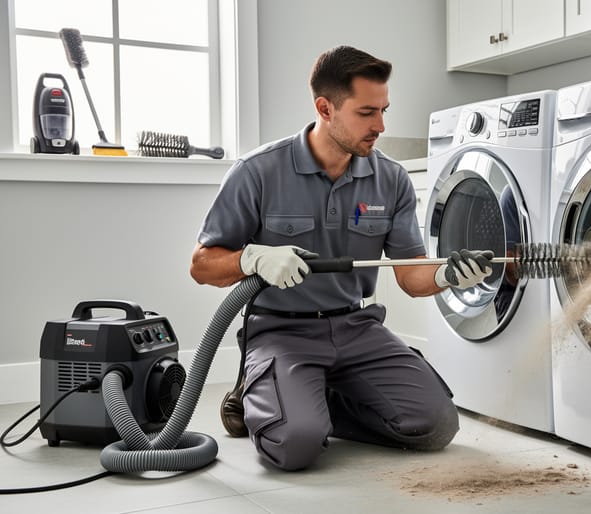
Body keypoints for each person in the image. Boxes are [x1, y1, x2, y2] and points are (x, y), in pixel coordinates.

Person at [190, 45, 493, 471]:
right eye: (367, 112)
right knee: (294, 447)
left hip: (357, 330)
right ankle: (276, 398)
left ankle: (309, 400)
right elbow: (202, 265)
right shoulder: (258, 171)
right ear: (325, 107)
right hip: (281, 333)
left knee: (435, 426)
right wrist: (252, 258)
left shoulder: (390, 178)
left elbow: (410, 276)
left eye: (384, 110)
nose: (381, 125)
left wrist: (448, 274)